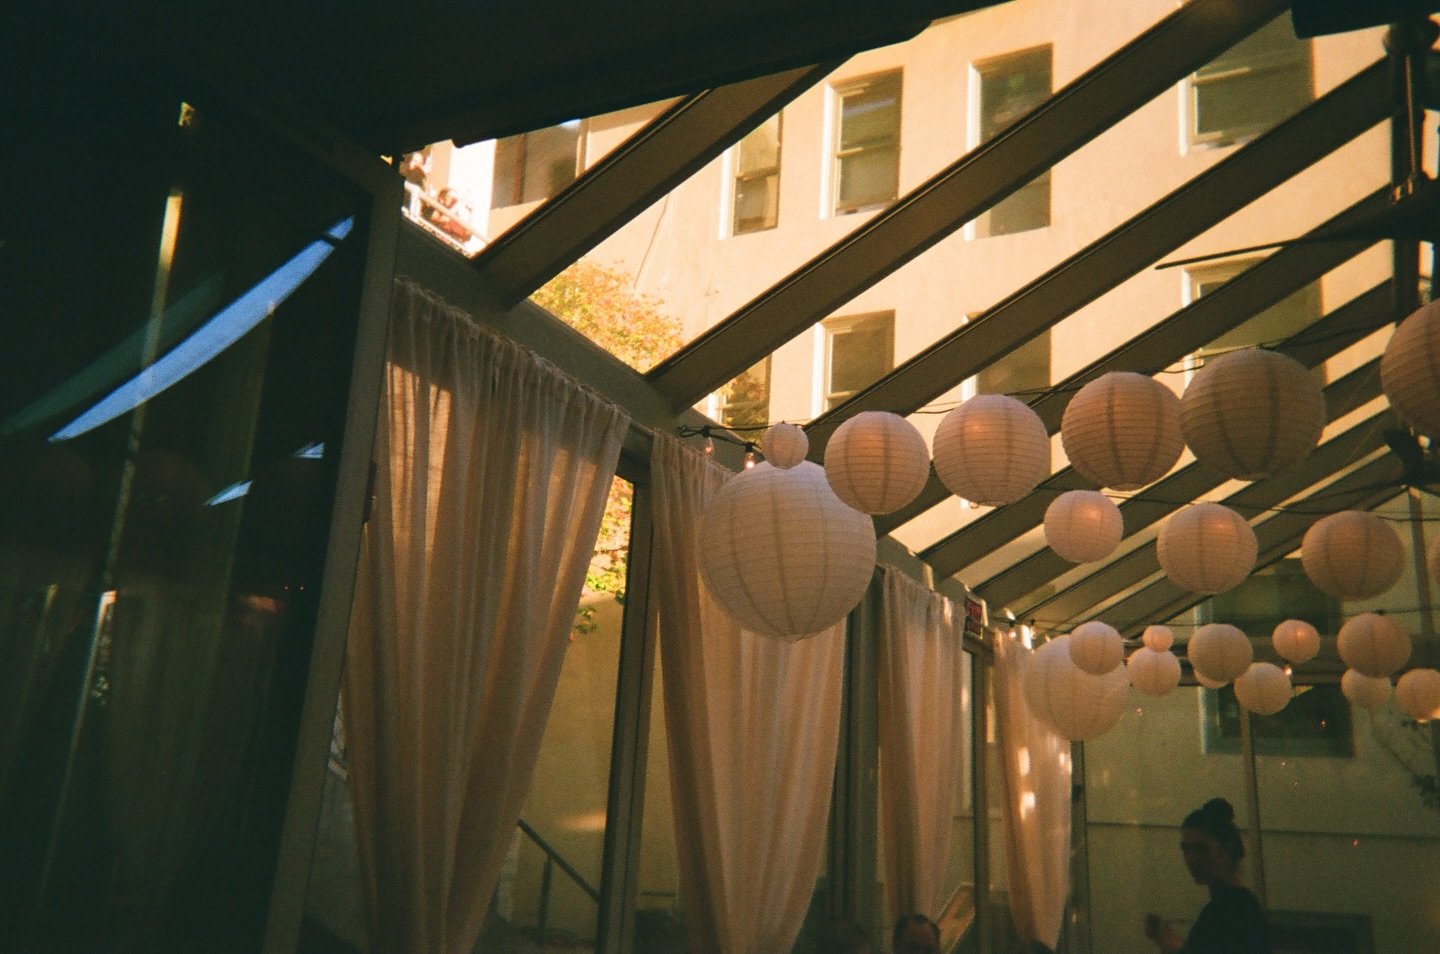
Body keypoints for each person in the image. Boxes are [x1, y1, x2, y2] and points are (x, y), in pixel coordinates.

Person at [1144, 797, 1271, 953]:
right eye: (1186, 849)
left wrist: (1171, 945)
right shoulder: (1238, 905)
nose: (1191, 858)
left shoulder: (1228, 911)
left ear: (1228, 851)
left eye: (1201, 849)